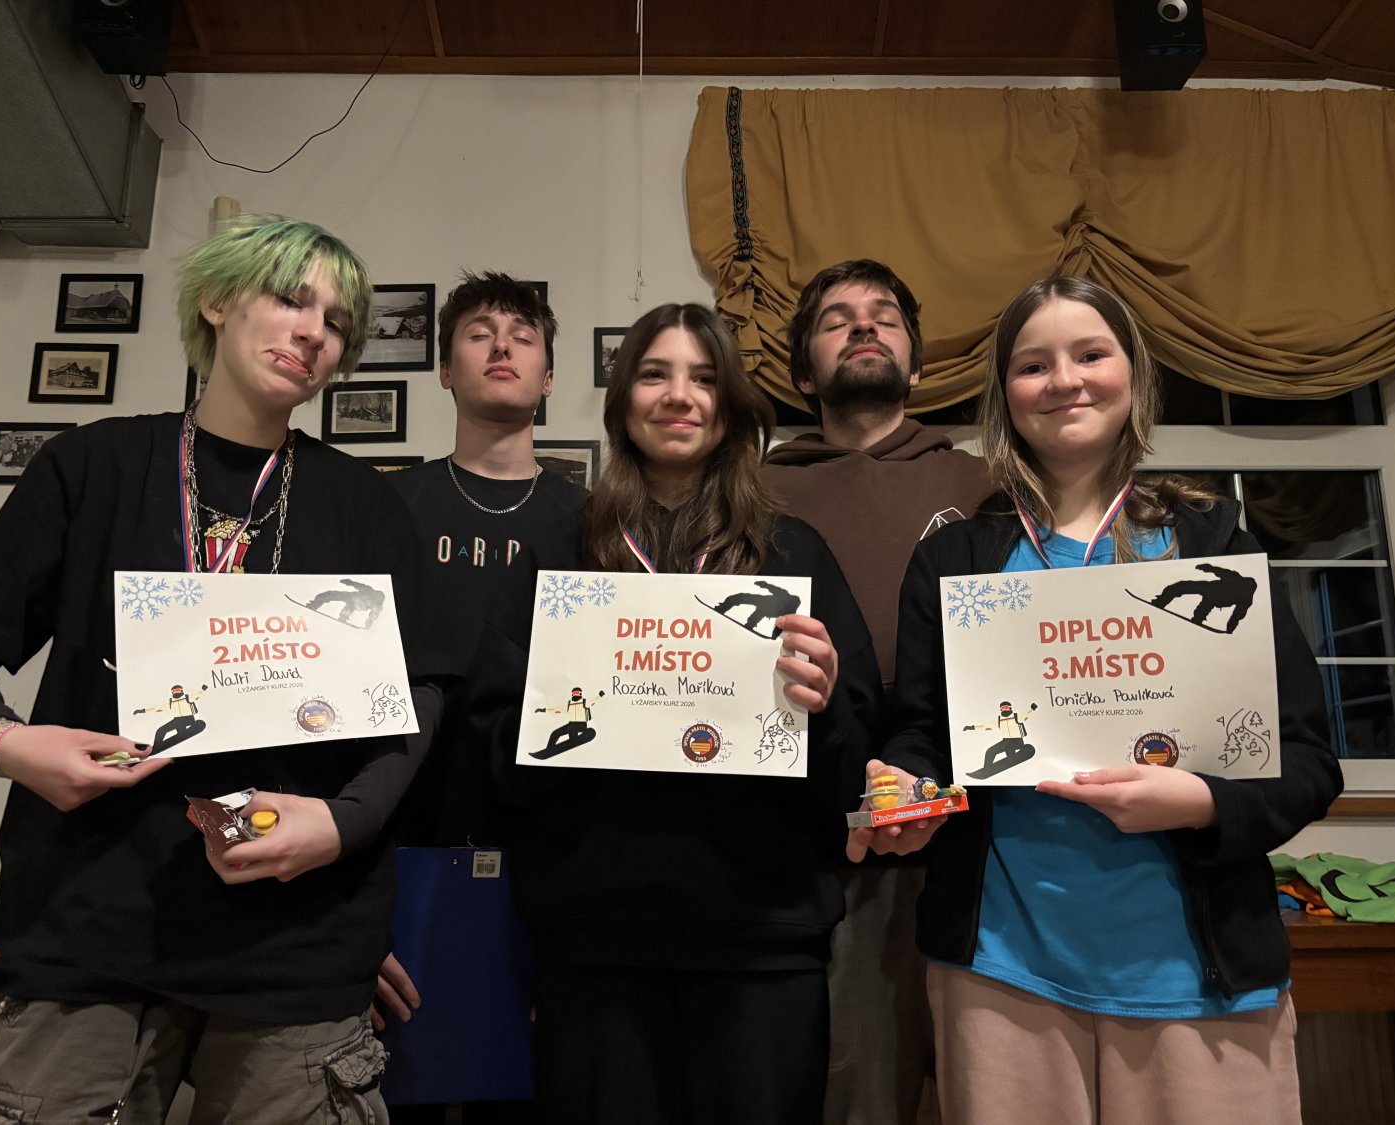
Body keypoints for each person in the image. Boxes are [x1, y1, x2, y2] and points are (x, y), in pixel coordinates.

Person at [0, 215, 438, 1123]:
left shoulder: (366, 506)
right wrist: (7, 744)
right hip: (90, 928)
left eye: (335, 322)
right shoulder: (90, 467)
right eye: (289, 299)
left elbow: (421, 692)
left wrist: (345, 821)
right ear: (215, 300)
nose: (312, 332)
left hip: (297, 942)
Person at [880, 276, 1344, 1124]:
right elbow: (921, 737)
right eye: (1033, 365)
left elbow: (1308, 760)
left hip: (1198, 980)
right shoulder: (955, 560)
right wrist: (905, 790)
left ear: (1133, 373)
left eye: (1090, 354)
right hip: (1000, 972)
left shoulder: (1213, 547)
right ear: (1004, 394)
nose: (1065, 379)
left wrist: (1201, 801)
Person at [466, 303, 883, 1124]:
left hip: (763, 946)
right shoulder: (561, 551)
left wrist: (827, 706)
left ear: (731, 403)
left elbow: (853, 777)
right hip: (595, 944)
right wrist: (553, 718)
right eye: (655, 374)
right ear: (624, 397)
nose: (679, 396)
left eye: (704, 377)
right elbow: (487, 761)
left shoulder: (792, 554)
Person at [762, 259, 991, 1125]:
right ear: (801, 372)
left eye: (884, 316)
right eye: (836, 319)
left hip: (987, 841)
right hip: (833, 848)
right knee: (862, 1094)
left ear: (919, 364)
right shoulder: (754, 494)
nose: (862, 326)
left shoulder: (986, 488)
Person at [373, 274, 587, 1070]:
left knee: (526, 1074)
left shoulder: (594, 521)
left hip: (545, 833)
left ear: (549, 377)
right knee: (409, 1068)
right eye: (479, 333)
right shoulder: (388, 506)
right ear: (444, 369)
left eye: (523, 337)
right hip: (403, 821)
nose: (502, 346)